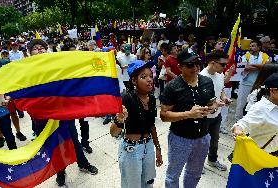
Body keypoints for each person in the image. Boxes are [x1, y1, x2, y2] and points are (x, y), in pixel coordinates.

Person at [29, 39, 98, 186]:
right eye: (36, 48)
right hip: (43, 117)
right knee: (54, 146)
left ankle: (83, 163)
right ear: (30, 53)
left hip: (63, 113)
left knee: (73, 140)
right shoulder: (27, 71)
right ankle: (60, 172)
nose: (40, 50)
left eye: (42, 47)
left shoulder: (56, 65)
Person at [160, 49, 217, 187]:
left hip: (203, 137)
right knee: (173, 175)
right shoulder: (172, 87)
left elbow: (212, 102)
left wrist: (212, 108)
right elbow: (164, 115)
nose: (196, 67)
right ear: (180, 67)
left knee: (195, 173)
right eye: (190, 65)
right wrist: (189, 114)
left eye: (198, 63)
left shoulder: (207, 82)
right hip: (180, 138)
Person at [110, 60, 163, 188]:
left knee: (148, 182)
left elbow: (151, 125)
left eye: (151, 76)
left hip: (148, 147)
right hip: (131, 150)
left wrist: (157, 148)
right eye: (144, 77)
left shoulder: (152, 99)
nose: (149, 80)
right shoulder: (126, 99)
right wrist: (119, 120)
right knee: (132, 185)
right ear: (134, 81)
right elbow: (113, 132)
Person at [232, 73, 278, 156]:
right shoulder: (261, 108)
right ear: (273, 91)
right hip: (259, 156)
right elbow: (243, 124)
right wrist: (238, 130)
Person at [200, 50, 231, 171]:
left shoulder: (220, 74)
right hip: (204, 116)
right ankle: (198, 163)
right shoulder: (201, 77)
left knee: (214, 140)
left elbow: (221, 89)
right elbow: (200, 99)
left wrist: (224, 98)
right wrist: (213, 104)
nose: (225, 67)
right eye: (223, 64)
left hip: (216, 116)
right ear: (213, 63)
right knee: (201, 142)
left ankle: (212, 160)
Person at [235, 40, 269, 121]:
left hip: (258, 84)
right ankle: (238, 120)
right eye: (250, 46)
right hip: (245, 84)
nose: (251, 48)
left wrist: (253, 66)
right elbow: (245, 67)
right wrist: (260, 67)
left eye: (253, 46)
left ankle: (250, 121)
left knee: (255, 104)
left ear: (259, 47)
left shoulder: (265, 56)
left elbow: (267, 67)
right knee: (241, 104)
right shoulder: (245, 55)